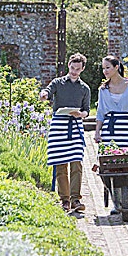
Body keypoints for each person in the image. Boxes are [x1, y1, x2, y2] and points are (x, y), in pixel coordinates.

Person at [94, 55, 128, 213]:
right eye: (103, 68)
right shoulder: (103, 90)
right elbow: (100, 113)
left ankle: (125, 199)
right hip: (110, 130)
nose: (105, 71)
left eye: (107, 68)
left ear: (116, 67)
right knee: (110, 166)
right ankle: (115, 203)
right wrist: (97, 132)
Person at [39, 53, 91, 212]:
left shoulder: (85, 88)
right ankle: (65, 200)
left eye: (77, 69)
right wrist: (44, 94)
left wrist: (81, 114)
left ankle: (76, 199)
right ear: (68, 66)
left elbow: (87, 111)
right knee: (60, 162)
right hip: (59, 127)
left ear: (82, 69)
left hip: (75, 126)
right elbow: (47, 90)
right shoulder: (58, 83)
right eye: (72, 68)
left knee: (76, 162)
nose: (74, 71)